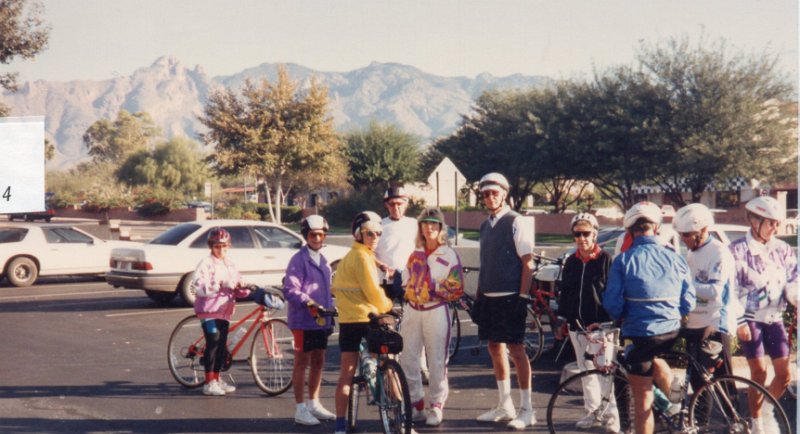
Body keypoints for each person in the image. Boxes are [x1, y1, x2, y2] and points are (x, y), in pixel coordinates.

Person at [602, 201, 695, 434]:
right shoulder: (675, 257)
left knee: (642, 401)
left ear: (630, 232)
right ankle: (675, 401)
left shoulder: (623, 260)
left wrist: (625, 313)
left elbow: (612, 305)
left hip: (640, 332)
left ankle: (672, 404)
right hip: (671, 330)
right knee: (652, 355)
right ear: (656, 228)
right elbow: (689, 302)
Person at [473, 172, 536, 430]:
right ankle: (505, 404)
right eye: (485, 194)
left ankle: (528, 409)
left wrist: (522, 297)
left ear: (504, 194)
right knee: (493, 348)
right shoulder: (484, 225)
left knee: (517, 351)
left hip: (510, 297)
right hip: (488, 297)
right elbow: (485, 263)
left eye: (494, 193)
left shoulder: (517, 221)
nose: (489, 197)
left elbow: (528, 263)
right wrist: (478, 294)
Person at [728, 195, 797, 434]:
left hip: (774, 318)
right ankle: (756, 426)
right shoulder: (736, 250)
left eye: (777, 223)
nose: (775, 228)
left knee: (785, 375)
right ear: (753, 221)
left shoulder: (784, 249)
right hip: (750, 318)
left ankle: (765, 411)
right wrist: (738, 321)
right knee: (758, 373)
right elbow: (731, 289)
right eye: (770, 223)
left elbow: (793, 280)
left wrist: (797, 298)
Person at [399, 207, 464, 426]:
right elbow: (405, 279)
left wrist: (431, 287)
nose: (429, 227)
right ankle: (416, 404)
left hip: (436, 310)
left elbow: (456, 286)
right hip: (412, 311)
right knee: (408, 358)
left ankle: (436, 406)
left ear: (440, 227)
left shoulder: (449, 254)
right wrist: (411, 289)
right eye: (425, 223)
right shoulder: (415, 253)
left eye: (434, 223)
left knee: (437, 360)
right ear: (420, 228)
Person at [331, 211, 395, 434]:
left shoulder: (351, 256)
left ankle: (340, 425)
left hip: (348, 321)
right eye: (370, 233)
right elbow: (372, 292)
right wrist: (388, 306)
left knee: (346, 372)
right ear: (359, 234)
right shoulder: (362, 258)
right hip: (367, 318)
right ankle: (401, 414)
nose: (375, 237)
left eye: (378, 233)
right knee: (388, 365)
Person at [556, 213, 619, 432]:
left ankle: (611, 418)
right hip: (577, 326)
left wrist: (610, 321)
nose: (582, 238)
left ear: (595, 234)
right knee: (585, 371)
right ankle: (592, 413)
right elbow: (566, 293)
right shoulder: (571, 262)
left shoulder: (606, 260)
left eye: (586, 233)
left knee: (604, 373)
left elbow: (612, 293)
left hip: (600, 327)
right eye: (577, 234)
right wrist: (563, 320)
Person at [283, 215, 336, 426]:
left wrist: (331, 305)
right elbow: (290, 289)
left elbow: (327, 290)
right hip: (303, 321)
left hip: (321, 321)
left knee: (319, 361)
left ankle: (314, 403)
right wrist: (309, 302)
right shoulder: (298, 260)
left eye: (320, 234)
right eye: (313, 234)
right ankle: (300, 409)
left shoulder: (323, 260)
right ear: (306, 236)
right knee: (301, 363)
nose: (316, 238)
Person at [673, 204, 739, 375]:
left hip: (716, 324)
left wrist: (683, 284)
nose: (682, 239)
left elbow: (715, 292)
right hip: (696, 324)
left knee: (722, 385)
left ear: (702, 231)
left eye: (686, 235)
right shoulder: (692, 252)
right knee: (699, 386)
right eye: (680, 234)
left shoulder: (718, 252)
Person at [191, 227, 253, 396]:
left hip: (225, 311)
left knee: (221, 346)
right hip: (208, 310)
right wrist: (220, 283)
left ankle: (216, 378)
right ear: (211, 246)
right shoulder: (206, 263)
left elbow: (236, 283)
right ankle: (208, 382)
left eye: (224, 246)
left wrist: (243, 288)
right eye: (217, 246)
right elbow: (198, 285)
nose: (221, 250)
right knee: (213, 342)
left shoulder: (230, 264)